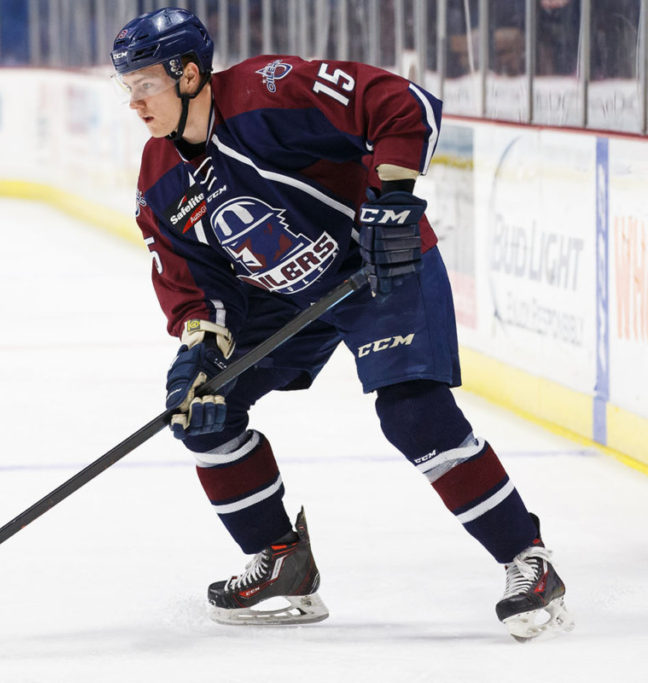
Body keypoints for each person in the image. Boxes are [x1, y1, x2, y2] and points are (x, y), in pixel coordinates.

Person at [111, 7, 573, 640]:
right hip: (287, 293)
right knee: (204, 409)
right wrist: (198, 349)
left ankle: (529, 559)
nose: (135, 104)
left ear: (189, 74)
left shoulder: (267, 93)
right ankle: (282, 563)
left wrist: (395, 199)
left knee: (413, 413)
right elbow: (196, 283)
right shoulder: (160, 177)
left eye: (145, 86)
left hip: (375, 262)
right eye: (127, 90)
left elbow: (399, 103)